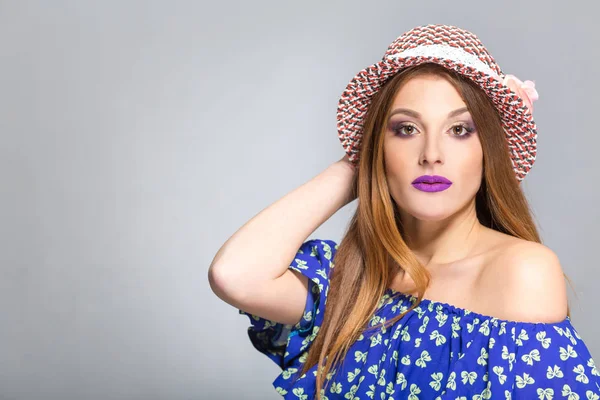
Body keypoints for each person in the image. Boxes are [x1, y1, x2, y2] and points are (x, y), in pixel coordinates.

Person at [208, 24, 600, 399]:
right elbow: (234, 276)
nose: (431, 155)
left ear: (489, 150)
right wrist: (355, 168)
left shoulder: (521, 271)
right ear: (378, 145)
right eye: (406, 129)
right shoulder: (348, 281)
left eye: (460, 130)